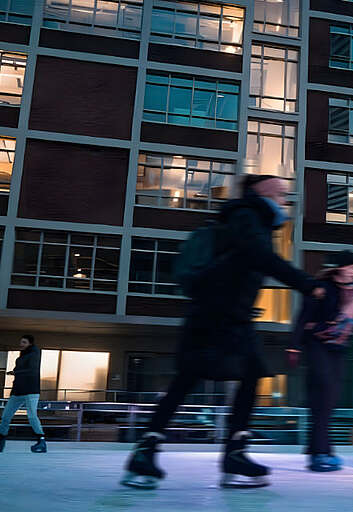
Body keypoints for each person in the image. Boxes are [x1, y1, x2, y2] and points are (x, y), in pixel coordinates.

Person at [121, 174, 324, 490]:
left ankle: (210, 452)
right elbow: (260, 257)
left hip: (224, 315)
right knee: (198, 379)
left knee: (220, 377)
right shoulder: (247, 216)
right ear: (260, 189)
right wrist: (307, 284)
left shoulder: (251, 218)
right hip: (218, 316)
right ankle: (216, 453)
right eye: (280, 189)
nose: (285, 195)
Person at [287, 250, 353, 472]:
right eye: (352, 268)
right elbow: (303, 316)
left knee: (328, 401)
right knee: (323, 390)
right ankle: (322, 452)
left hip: (338, 350)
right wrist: (293, 345)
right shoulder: (322, 287)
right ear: (341, 267)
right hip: (316, 344)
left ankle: (319, 451)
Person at [0, 334, 46, 454]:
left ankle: (41, 440)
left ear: (30, 343)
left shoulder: (35, 354)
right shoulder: (22, 355)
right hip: (18, 390)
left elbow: (32, 370)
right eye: (21, 342)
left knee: (31, 416)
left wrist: (16, 372)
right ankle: (1, 441)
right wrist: (15, 373)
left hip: (31, 390)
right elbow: (21, 370)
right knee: (5, 416)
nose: (21, 344)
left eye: (24, 342)